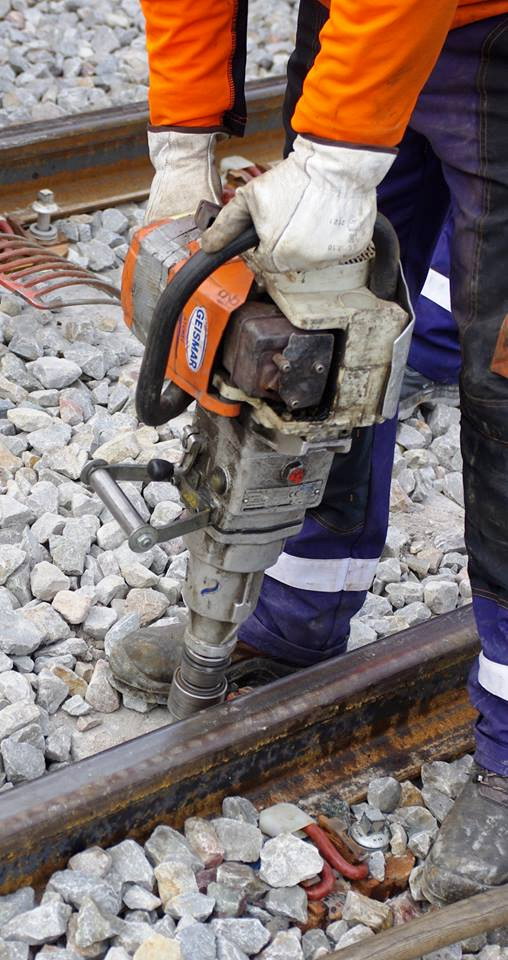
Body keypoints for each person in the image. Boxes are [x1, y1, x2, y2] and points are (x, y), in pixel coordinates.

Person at [112, 0, 508, 904]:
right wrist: (182, 140)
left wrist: (337, 158)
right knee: (320, 328)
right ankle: (296, 612)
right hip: (353, 27)